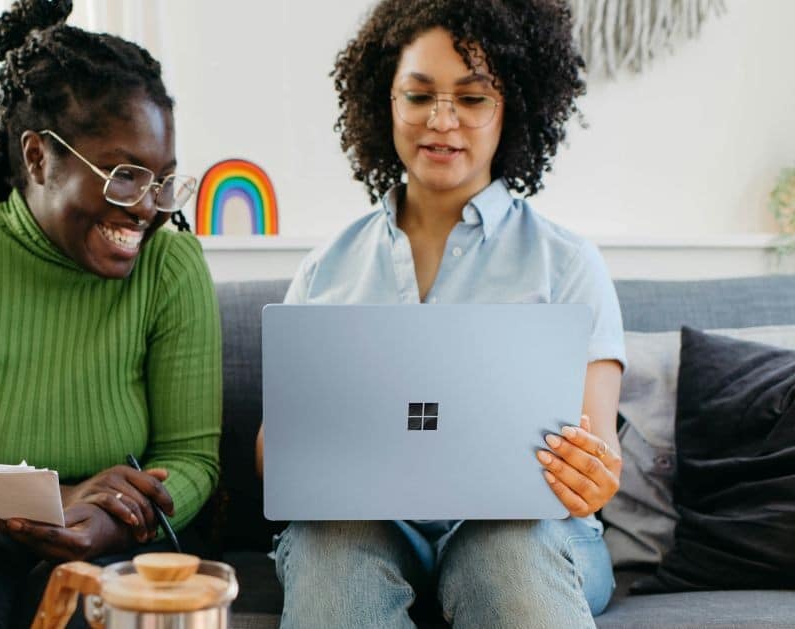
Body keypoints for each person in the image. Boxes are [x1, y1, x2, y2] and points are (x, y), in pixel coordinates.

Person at [255, 0, 625, 627]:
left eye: (473, 98)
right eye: (419, 95)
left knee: (503, 553)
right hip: (363, 529)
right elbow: (275, 451)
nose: (442, 120)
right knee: (331, 551)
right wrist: (295, 450)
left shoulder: (566, 264)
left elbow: (599, 451)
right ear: (386, 102)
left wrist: (591, 476)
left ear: (515, 108)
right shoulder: (327, 266)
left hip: (524, 533)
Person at [0, 1, 221, 627]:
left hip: (116, 538)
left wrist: (112, 518)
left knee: (93, 609)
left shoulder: (173, 266)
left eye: (162, 181)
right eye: (124, 176)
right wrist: (50, 498)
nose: (147, 210)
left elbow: (193, 459)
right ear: (36, 159)